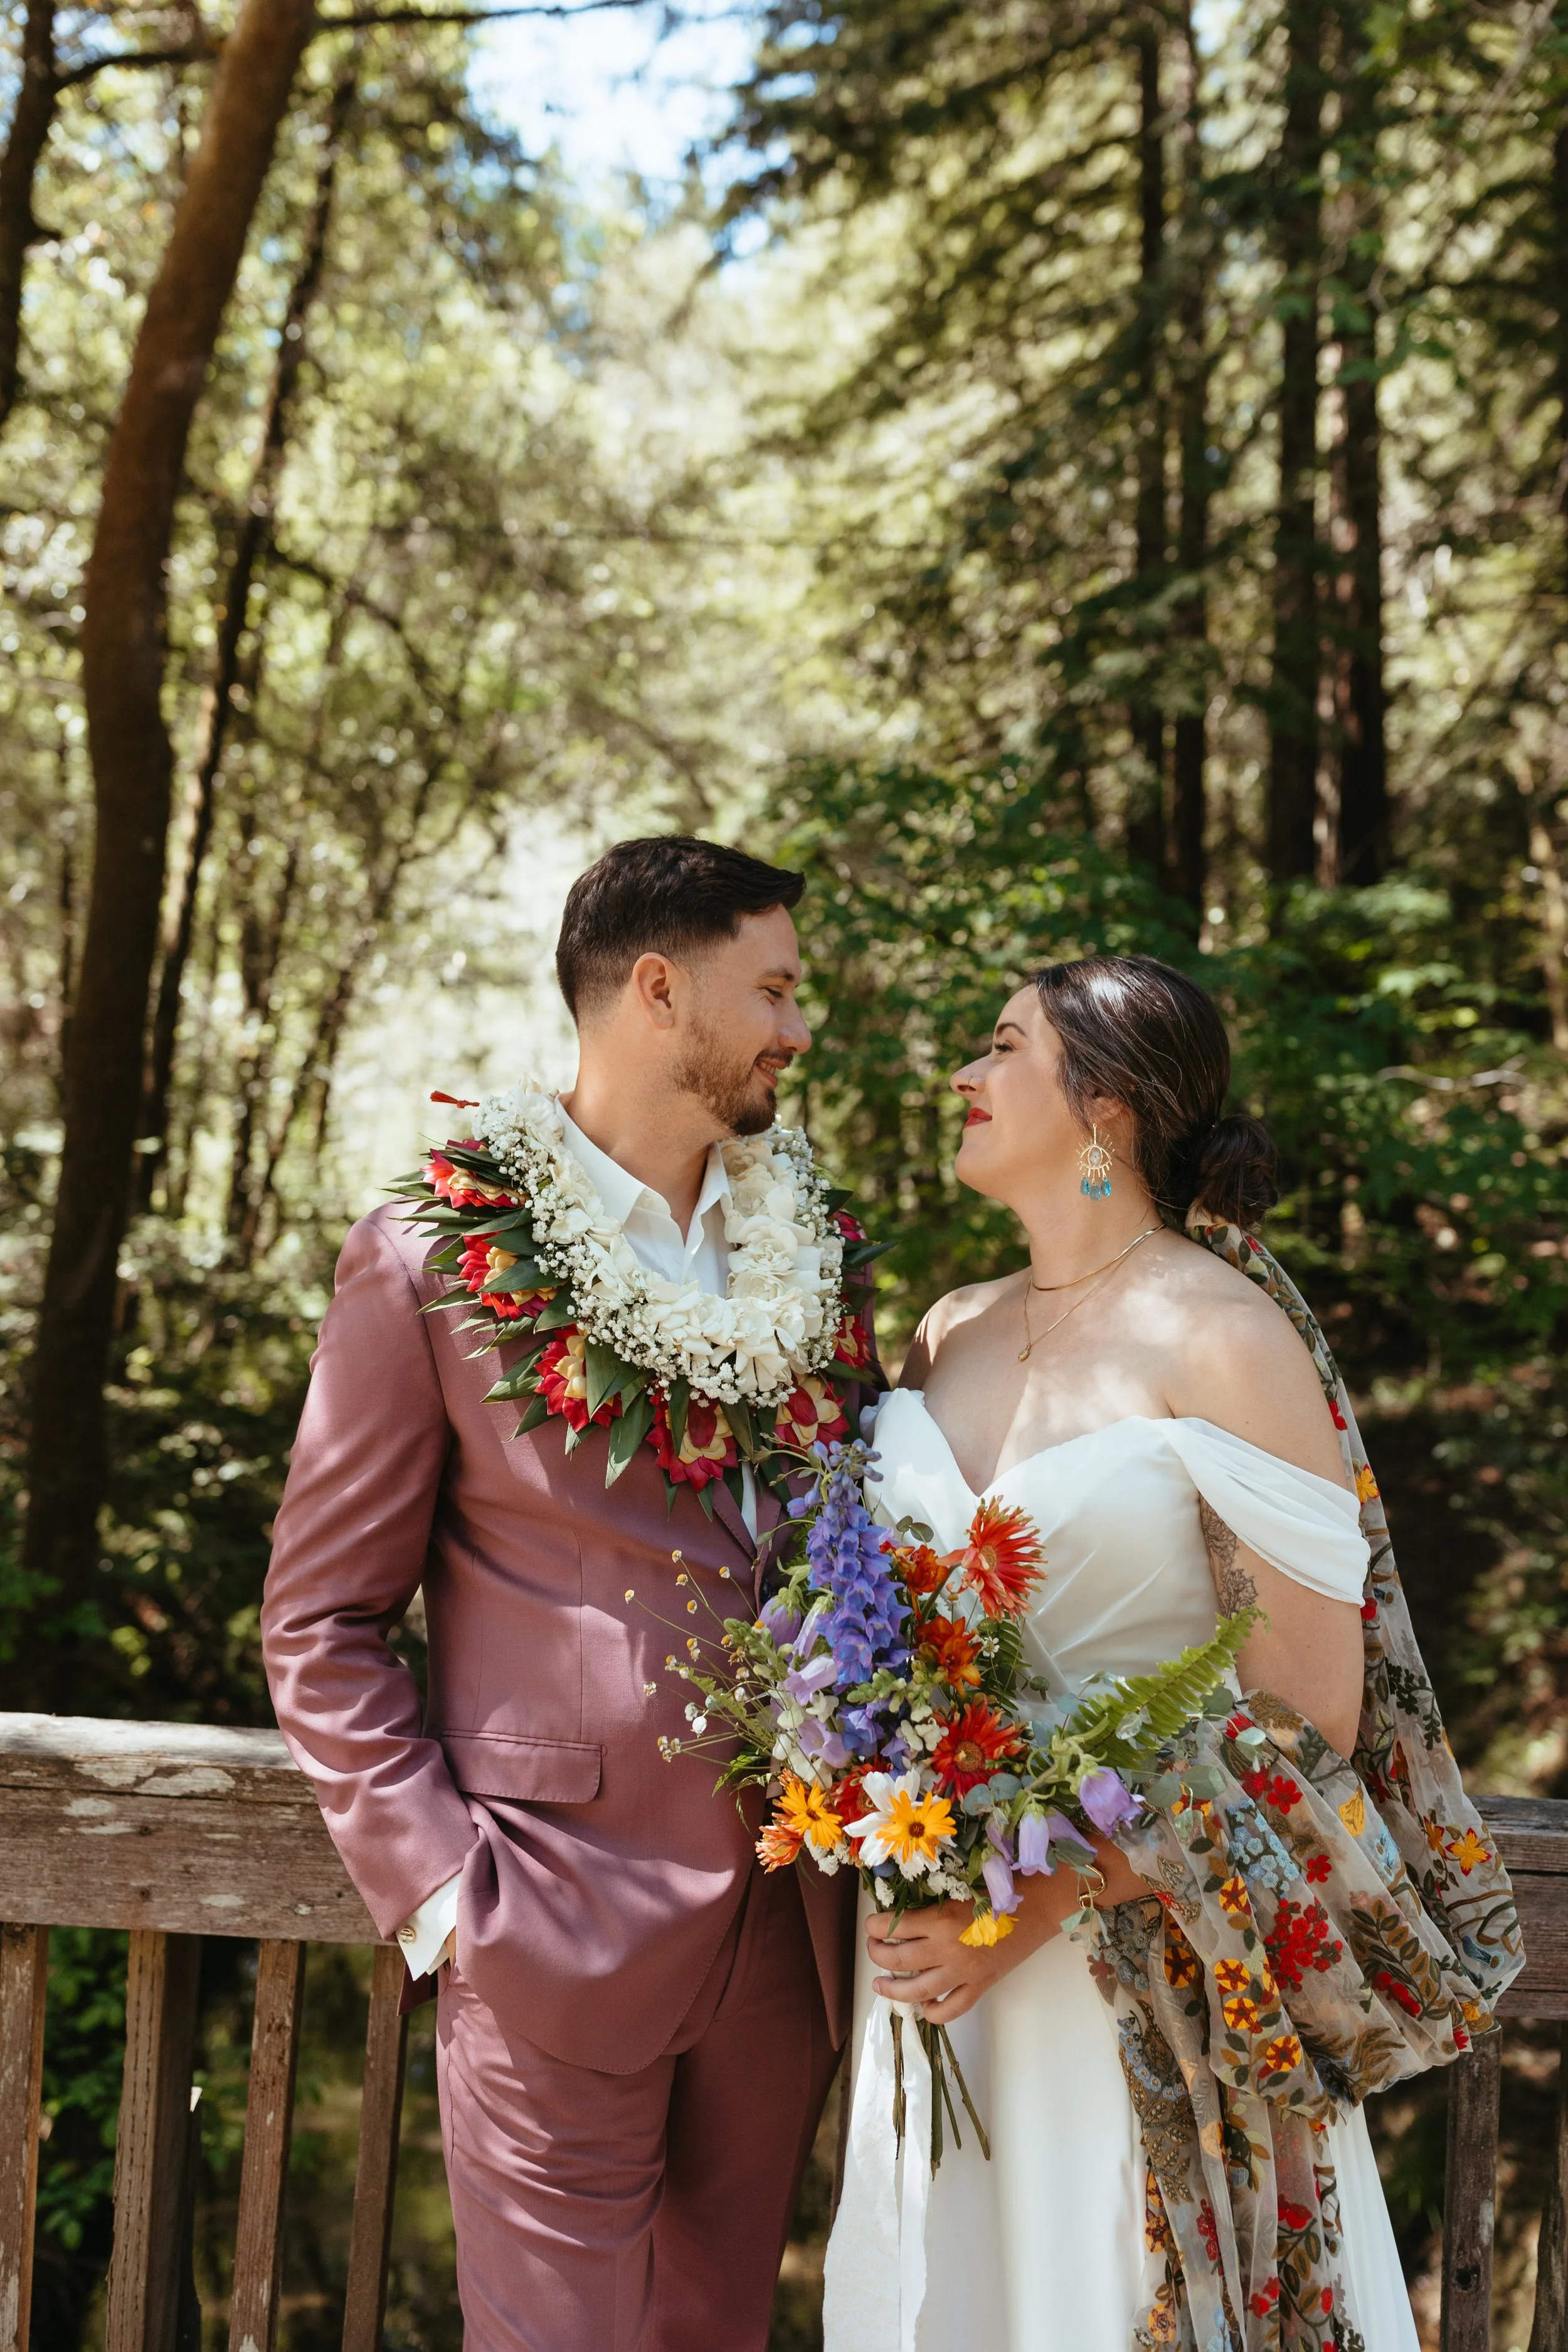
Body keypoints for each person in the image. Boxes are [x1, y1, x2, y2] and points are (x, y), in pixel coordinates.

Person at [262, 835, 876, 2352]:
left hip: (788, 1929)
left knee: (713, 2336)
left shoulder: (814, 1251)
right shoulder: (429, 1257)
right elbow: (320, 1621)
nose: (801, 1030)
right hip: (546, 1916)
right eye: (776, 990)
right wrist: (446, 1900)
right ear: (658, 990)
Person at [825, 953, 1432, 2352]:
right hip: (936, 1957)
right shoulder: (944, 1330)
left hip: (1138, 1950)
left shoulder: (1223, 1338)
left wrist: (1036, 1907)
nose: (961, 1078)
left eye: (997, 1047)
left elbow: (1303, 1723)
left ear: (1103, 1107)